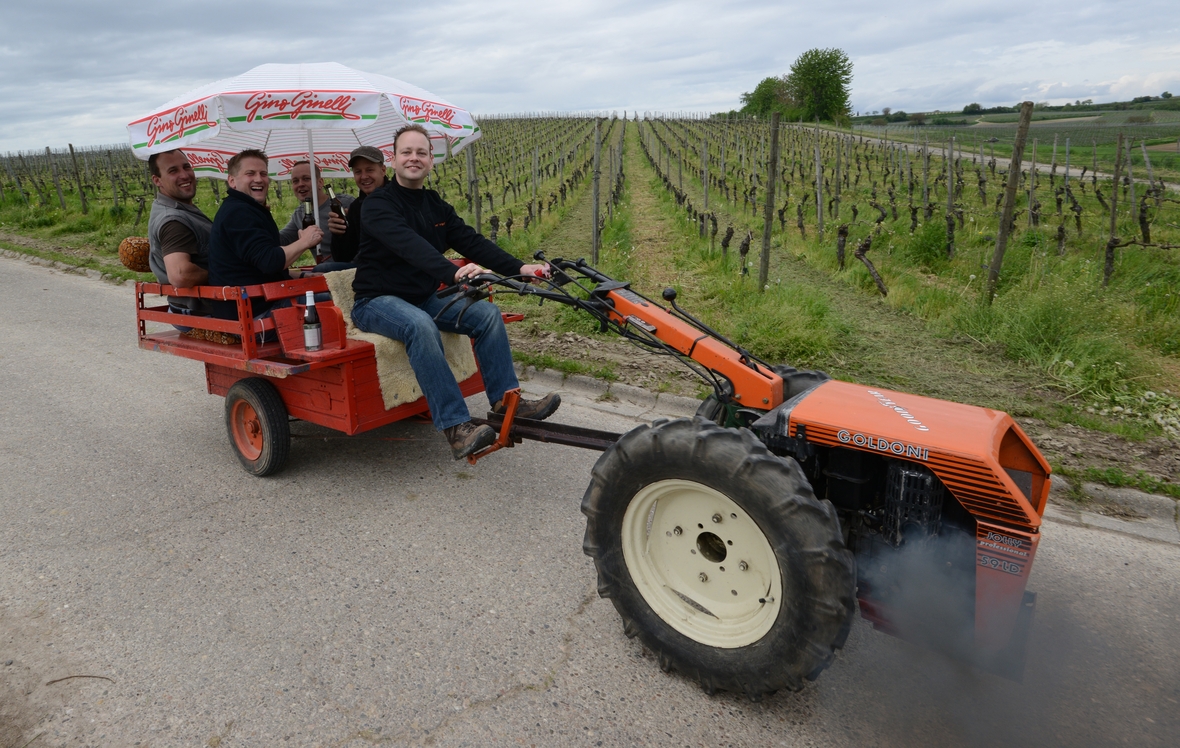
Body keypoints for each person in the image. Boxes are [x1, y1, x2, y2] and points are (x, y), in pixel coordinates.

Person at [351, 125, 559, 460]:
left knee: (487, 315)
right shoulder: (377, 205)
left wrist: (520, 268)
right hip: (376, 301)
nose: (414, 158)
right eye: (406, 152)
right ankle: (456, 427)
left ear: (432, 160)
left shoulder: (434, 204)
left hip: (421, 297)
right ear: (393, 159)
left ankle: (508, 404)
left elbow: (471, 240)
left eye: (421, 152)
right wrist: (454, 272)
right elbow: (410, 246)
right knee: (420, 325)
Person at [207, 149, 323, 320]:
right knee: (343, 300)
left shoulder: (244, 209)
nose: (259, 179)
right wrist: (305, 241)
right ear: (232, 181)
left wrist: (303, 275)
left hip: (258, 302)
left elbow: (254, 267)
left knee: (328, 281)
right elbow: (269, 262)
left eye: (263, 173)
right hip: (256, 312)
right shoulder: (238, 212)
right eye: (250, 173)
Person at [146, 149, 212, 325]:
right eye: (173, 171)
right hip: (202, 313)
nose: (184, 175)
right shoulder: (173, 220)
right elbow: (180, 275)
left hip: (195, 308)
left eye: (187, 167)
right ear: (157, 180)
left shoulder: (179, 209)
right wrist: (230, 272)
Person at [278, 160, 353, 265]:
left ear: (320, 182)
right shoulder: (299, 214)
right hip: (324, 272)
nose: (300, 184)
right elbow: (282, 240)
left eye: (306, 179)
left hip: (352, 267)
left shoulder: (345, 203)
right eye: (295, 181)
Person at [324, 146, 389, 264]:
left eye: (369, 170)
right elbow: (343, 257)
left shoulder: (397, 199)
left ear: (383, 170)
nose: (364, 176)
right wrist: (339, 234)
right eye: (358, 172)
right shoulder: (356, 207)